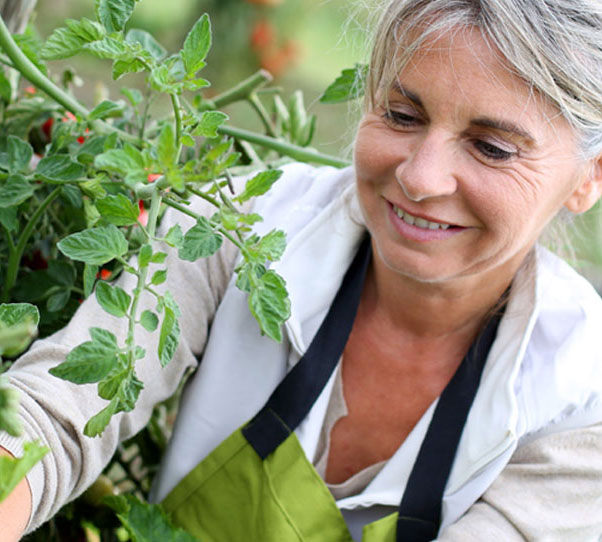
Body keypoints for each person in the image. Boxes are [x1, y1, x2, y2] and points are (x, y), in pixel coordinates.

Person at [3, 0, 602, 540]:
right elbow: (57, 412)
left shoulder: (581, 398)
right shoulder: (238, 223)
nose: (420, 177)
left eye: (491, 148)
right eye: (400, 114)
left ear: (588, 178)